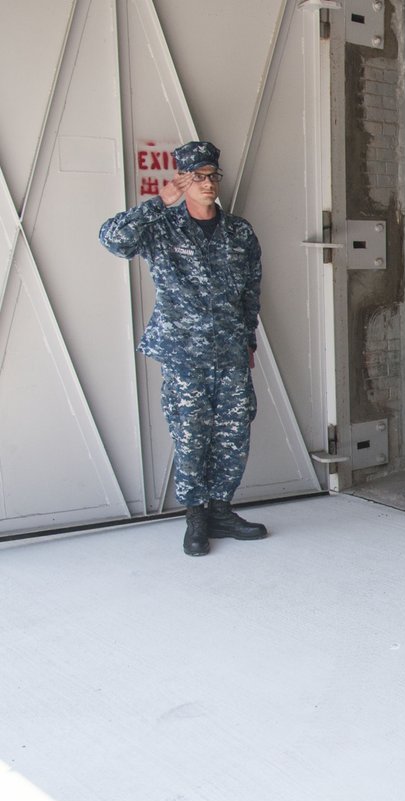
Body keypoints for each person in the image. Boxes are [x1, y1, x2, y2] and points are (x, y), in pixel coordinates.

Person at [99, 141, 268, 557]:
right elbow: (113, 240)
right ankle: (195, 517)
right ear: (182, 179)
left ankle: (221, 511)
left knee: (233, 432)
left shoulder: (239, 231)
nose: (208, 184)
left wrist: (248, 339)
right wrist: (159, 203)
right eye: (198, 177)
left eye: (213, 176)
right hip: (183, 352)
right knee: (190, 432)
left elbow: (250, 290)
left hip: (229, 349)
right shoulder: (161, 226)